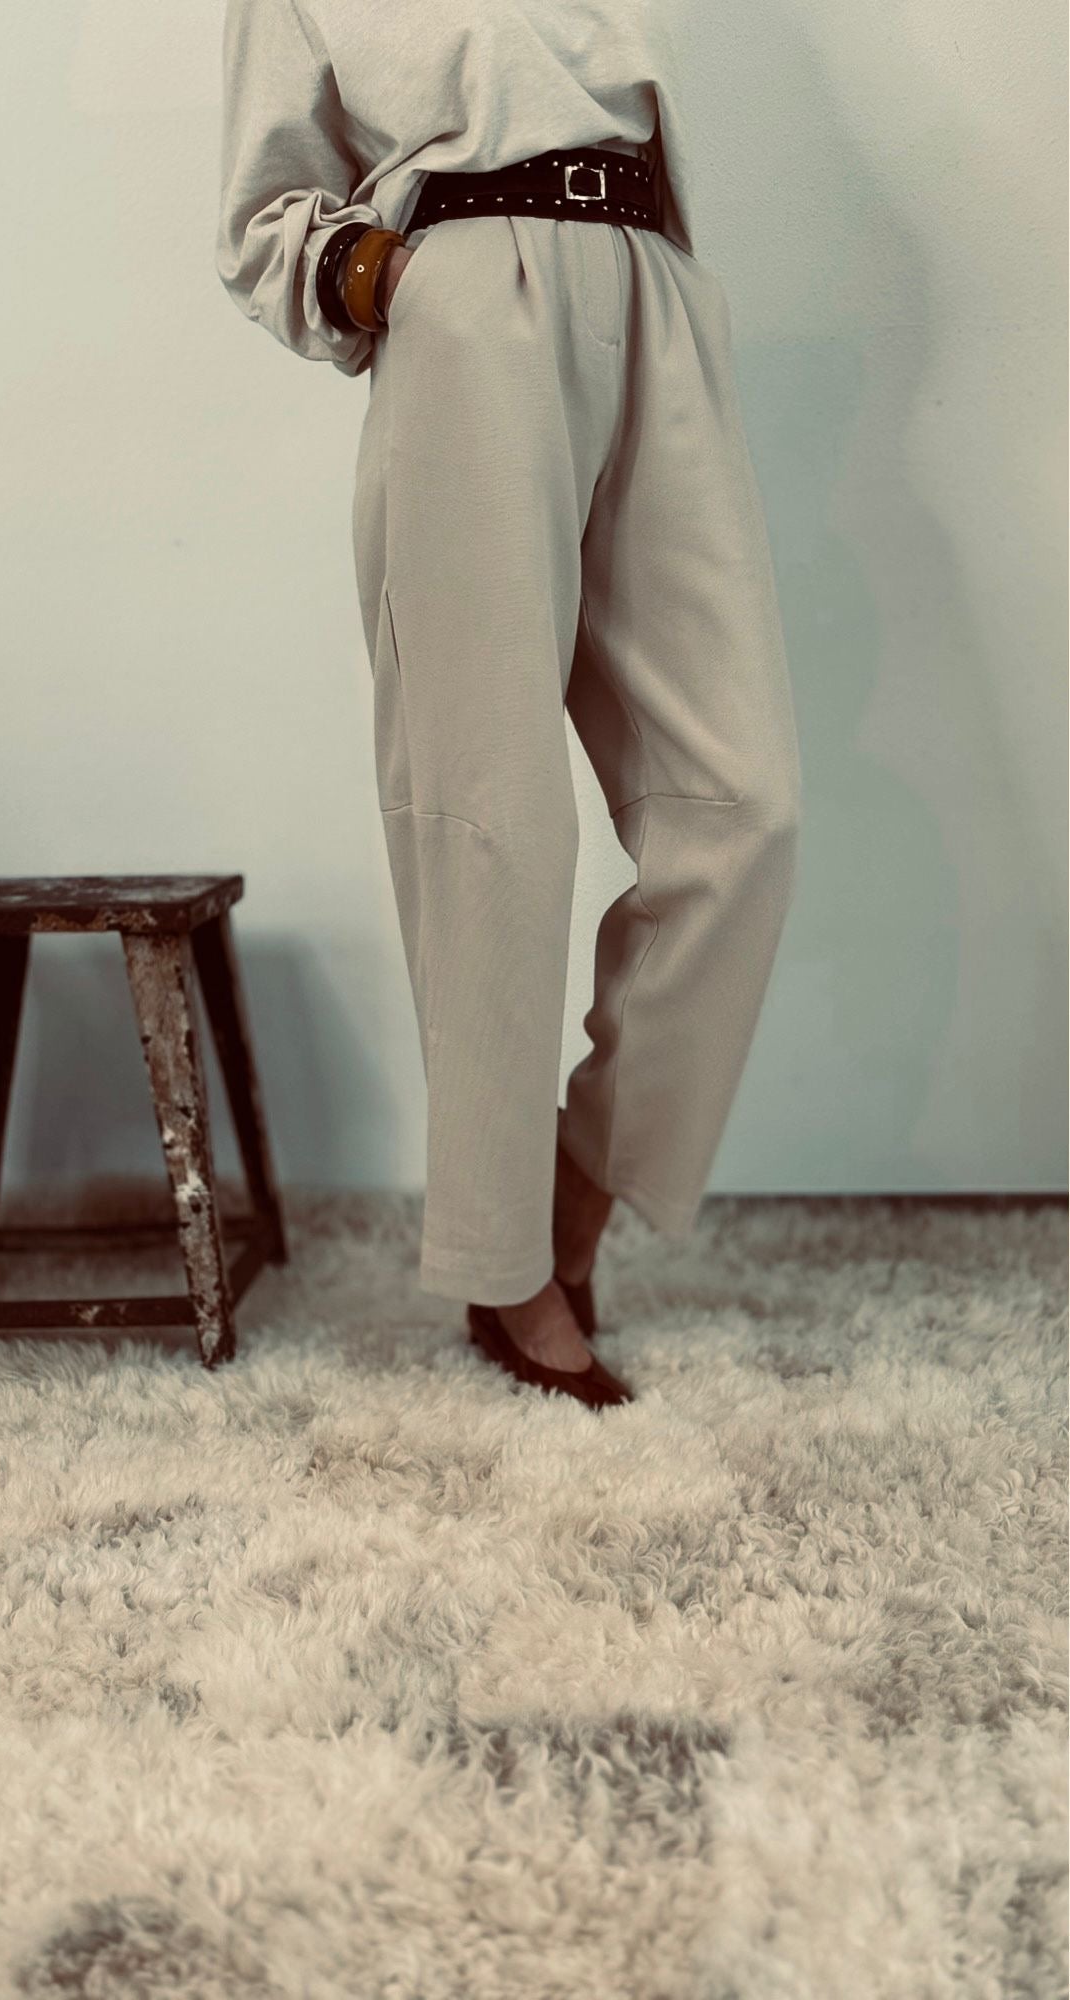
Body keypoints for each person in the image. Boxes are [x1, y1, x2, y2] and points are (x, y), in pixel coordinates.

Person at [215, 1, 803, 1411]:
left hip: (654, 284)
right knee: (492, 818)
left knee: (744, 807)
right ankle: (503, 1262)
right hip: (467, 297)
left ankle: (574, 1186)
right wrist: (385, 277)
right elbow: (262, 213)